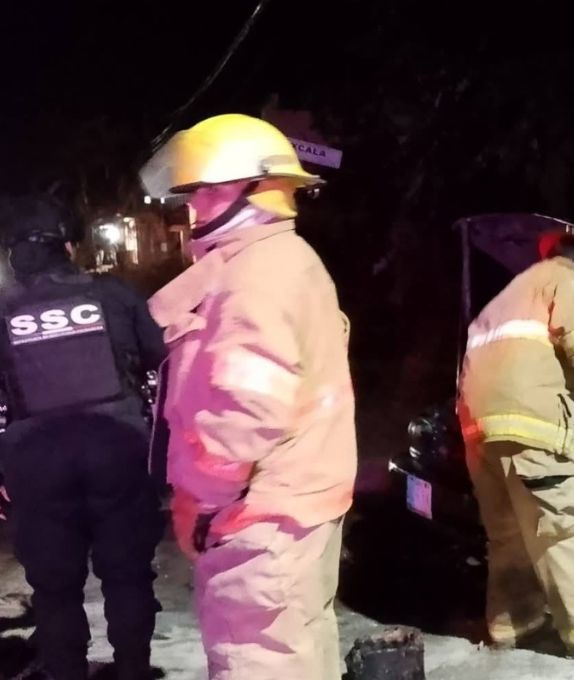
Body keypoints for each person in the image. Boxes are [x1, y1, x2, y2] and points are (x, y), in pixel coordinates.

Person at [139, 114, 357, 680]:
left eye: (210, 191)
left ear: (259, 191)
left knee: (257, 662)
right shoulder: (275, 262)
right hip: (288, 507)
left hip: (259, 518)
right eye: (195, 193)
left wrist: (206, 502)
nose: (195, 207)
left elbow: (247, 411)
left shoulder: (255, 275)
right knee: (299, 654)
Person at [457, 226, 574, 659]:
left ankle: (514, 621)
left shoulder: (510, 293)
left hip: (478, 430)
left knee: (508, 532)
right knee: (562, 525)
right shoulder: (572, 282)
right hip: (533, 424)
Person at [0, 195, 166, 680]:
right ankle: (133, 671)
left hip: (35, 460)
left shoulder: (3, 310)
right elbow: (164, 359)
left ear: (14, 254)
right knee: (127, 575)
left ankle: (66, 673)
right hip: (117, 450)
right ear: (69, 246)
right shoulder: (112, 294)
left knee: (54, 589)